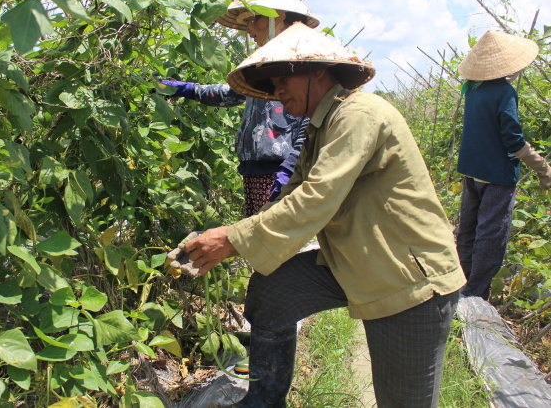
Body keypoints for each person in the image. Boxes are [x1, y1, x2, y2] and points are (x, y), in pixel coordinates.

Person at [182, 22, 466, 407]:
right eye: (272, 84)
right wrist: (236, 235)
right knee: (273, 293)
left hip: (407, 278)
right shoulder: (320, 127)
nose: (277, 92)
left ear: (319, 70)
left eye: (283, 78)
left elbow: (317, 198)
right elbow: (290, 193)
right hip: (356, 260)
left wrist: (232, 238)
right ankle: (264, 400)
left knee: (404, 400)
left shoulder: (359, 114)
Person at [159, 0, 319, 216]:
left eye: (256, 19)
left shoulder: (300, 60)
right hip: (255, 169)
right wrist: (185, 89)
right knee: (258, 240)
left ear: (279, 15)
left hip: (278, 170)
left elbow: (308, 123)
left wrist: (288, 171)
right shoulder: (264, 64)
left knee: (272, 240)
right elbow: (231, 93)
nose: (251, 29)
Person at [455, 30, 551, 301]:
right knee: (491, 235)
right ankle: (475, 294)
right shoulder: (503, 92)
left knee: (469, 229)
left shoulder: (473, 89)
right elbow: (512, 139)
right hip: (496, 175)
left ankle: (461, 283)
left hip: (471, 170)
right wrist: (543, 169)